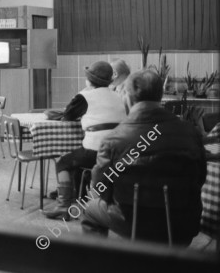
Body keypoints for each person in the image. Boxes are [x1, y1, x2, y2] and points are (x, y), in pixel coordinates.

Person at [81, 70, 206, 245]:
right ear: (160, 96)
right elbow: (200, 178)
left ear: (127, 97)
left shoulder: (113, 139)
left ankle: (99, 263)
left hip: (132, 222)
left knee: (90, 208)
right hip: (182, 224)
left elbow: (100, 188)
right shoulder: (190, 132)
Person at [44, 61, 126, 219]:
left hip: (94, 150)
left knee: (63, 161)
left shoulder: (85, 97)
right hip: (118, 153)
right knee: (76, 160)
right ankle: (78, 195)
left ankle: (63, 206)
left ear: (89, 80)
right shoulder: (118, 96)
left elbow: (68, 116)